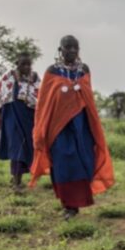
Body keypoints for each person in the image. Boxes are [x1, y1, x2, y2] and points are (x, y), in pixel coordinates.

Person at [29, 35, 114, 219]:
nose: (72, 51)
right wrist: (41, 130)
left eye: (75, 48)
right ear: (60, 50)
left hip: (82, 124)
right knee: (63, 163)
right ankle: (69, 206)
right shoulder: (52, 71)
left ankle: (79, 199)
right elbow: (44, 103)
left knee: (84, 160)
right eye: (68, 47)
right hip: (59, 127)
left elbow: (88, 97)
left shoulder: (84, 70)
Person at [0, 52, 40, 192]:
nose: (27, 67)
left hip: (29, 119)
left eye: (29, 64)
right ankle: (16, 183)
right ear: (17, 64)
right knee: (17, 147)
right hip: (11, 118)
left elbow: (40, 97)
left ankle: (17, 178)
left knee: (27, 147)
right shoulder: (8, 77)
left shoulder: (35, 78)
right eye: (23, 64)